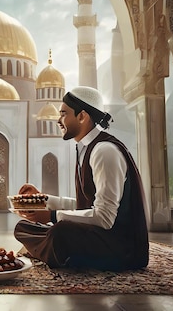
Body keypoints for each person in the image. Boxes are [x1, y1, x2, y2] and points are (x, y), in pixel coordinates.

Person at [13, 86, 149, 271]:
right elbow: (86, 206)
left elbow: (104, 218)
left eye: (63, 114)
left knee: (60, 232)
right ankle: (63, 254)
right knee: (23, 227)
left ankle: (61, 254)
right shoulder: (86, 147)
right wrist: (45, 200)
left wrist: (52, 215)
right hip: (98, 236)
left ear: (82, 116)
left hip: (122, 248)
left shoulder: (104, 151)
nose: (59, 121)